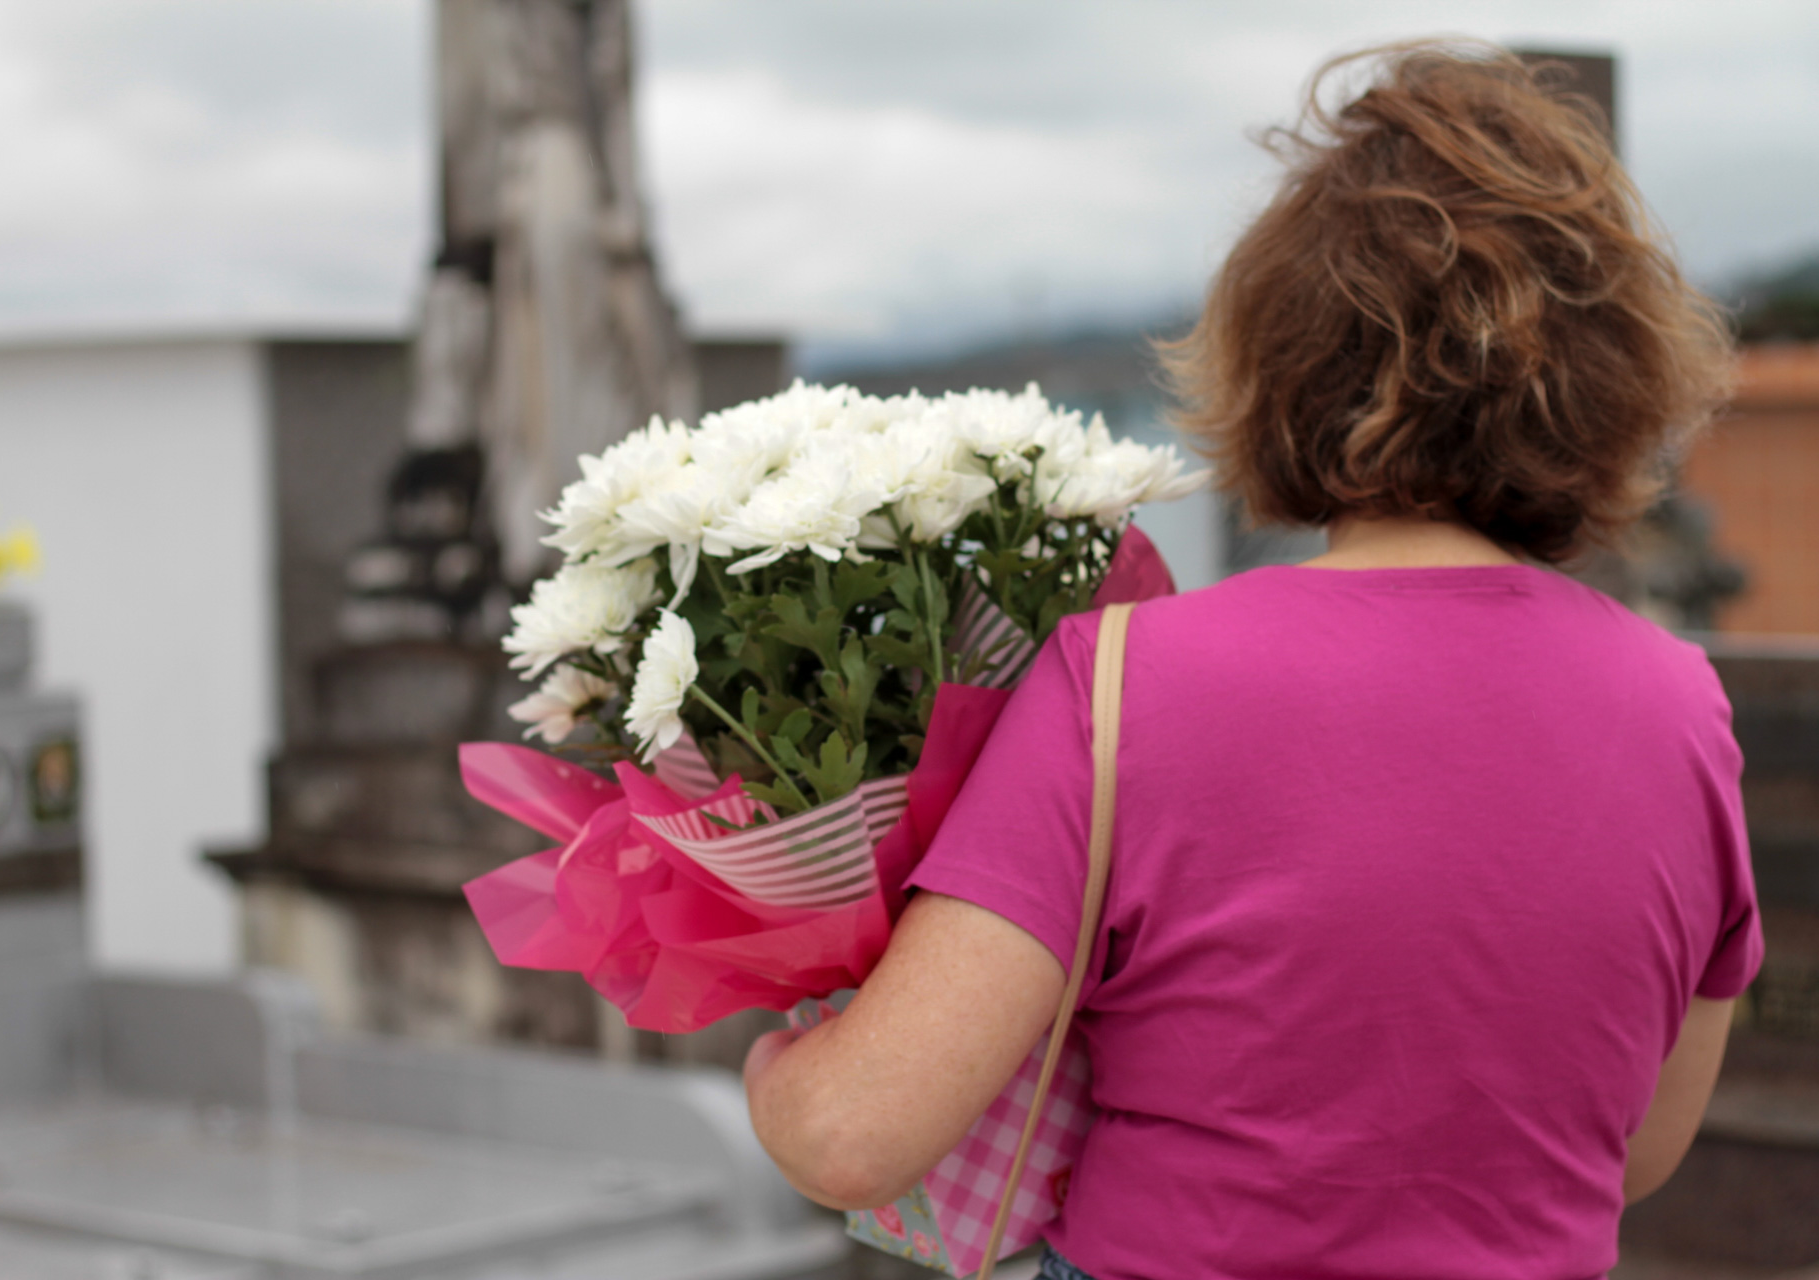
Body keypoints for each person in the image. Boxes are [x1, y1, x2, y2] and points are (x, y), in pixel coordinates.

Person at [742, 41, 1760, 1280]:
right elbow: (1637, 1145)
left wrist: (782, 1073)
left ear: (1282, 359)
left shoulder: (1120, 681)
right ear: (1616, 383)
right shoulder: (1682, 705)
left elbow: (855, 1133)